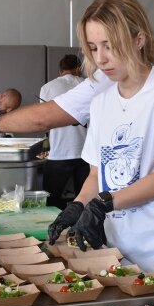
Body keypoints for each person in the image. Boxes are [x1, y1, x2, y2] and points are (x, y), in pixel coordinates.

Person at [45, 0, 154, 305]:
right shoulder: (101, 102)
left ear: (139, 39)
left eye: (109, 46)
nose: (100, 59)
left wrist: (102, 204)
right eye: (94, 47)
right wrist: (79, 205)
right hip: (124, 257)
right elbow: (97, 174)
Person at [39, 54, 90, 209]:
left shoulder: (48, 87)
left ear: (61, 70)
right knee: (85, 201)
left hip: (59, 153)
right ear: (78, 69)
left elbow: (43, 121)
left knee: (51, 200)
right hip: (86, 152)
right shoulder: (88, 84)